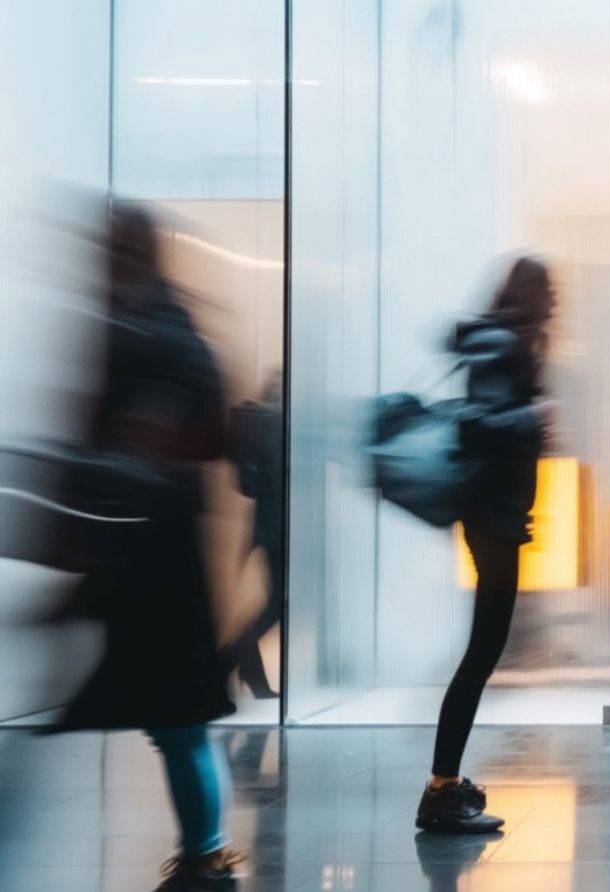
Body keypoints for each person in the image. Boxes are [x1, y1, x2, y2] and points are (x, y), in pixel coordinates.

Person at [53, 202, 242, 890]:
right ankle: (205, 852)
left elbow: (201, 430)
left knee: (177, 718)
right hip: (157, 545)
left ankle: (206, 855)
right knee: (176, 717)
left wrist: (143, 444)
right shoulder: (159, 320)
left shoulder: (145, 326)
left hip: (154, 551)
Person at [416, 257, 555, 834]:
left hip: (494, 517)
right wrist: (533, 415)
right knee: (481, 654)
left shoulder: (495, 341)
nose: (556, 307)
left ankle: (444, 784)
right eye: (551, 296)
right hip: (492, 519)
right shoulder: (503, 345)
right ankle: (441, 788)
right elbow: (480, 426)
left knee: (483, 651)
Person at [222, 370, 284, 701]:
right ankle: (225, 662)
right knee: (279, 603)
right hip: (277, 524)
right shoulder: (276, 426)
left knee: (278, 602)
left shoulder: (260, 426)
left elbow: (251, 486)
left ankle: (250, 670)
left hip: (266, 523)